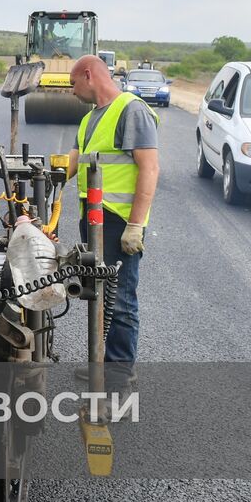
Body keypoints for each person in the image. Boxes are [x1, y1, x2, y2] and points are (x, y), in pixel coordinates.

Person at [66, 54, 160, 374]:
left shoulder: (130, 110)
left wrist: (135, 225)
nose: (71, 91)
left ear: (89, 75)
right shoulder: (90, 118)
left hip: (119, 222)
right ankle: (100, 365)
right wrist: (43, 174)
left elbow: (149, 168)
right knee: (99, 296)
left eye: (73, 82)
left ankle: (119, 377)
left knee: (119, 302)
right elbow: (74, 161)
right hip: (93, 220)